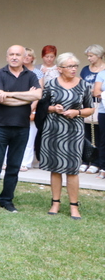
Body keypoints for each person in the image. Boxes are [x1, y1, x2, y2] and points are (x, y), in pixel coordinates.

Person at [0, 45, 41, 213]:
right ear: (7, 57)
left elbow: (37, 95)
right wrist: (25, 96)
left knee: (14, 167)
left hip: (22, 127)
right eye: (11, 54)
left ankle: (7, 200)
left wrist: (9, 94)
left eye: (18, 54)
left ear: (24, 57)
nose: (14, 57)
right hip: (0, 126)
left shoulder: (31, 75)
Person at [41, 53, 94, 220]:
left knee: (72, 170)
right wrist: (53, 108)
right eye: (69, 66)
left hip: (74, 131)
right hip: (53, 130)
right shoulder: (50, 84)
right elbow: (43, 106)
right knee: (55, 168)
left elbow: (90, 109)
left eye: (75, 66)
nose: (73, 69)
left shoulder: (84, 85)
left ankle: (74, 206)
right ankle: (55, 203)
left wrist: (77, 112)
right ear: (59, 69)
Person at [78, 44, 104, 174]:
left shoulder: (104, 70)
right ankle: (85, 160)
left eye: (91, 56)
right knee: (86, 133)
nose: (89, 58)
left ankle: (97, 162)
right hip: (87, 104)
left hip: (100, 104)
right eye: (88, 56)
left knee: (99, 134)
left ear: (99, 55)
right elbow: (81, 85)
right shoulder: (85, 70)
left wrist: (95, 91)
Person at [20, 47, 44, 171]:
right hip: (16, 108)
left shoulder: (38, 73)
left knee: (29, 137)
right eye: (24, 55)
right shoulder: (16, 71)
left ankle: (26, 162)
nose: (26, 57)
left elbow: (38, 93)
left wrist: (30, 108)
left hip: (32, 108)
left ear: (33, 58)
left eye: (29, 55)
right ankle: (9, 161)